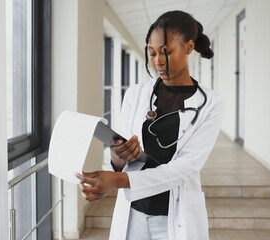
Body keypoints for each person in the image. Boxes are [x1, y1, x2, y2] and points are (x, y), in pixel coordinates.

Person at [76, 10, 224, 240]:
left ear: (188, 47)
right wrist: (117, 157)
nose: (158, 62)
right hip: (134, 214)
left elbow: (186, 167)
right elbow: (119, 157)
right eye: (152, 53)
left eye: (166, 52)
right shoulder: (136, 95)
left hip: (175, 218)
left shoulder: (210, 103)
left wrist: (119, 180)